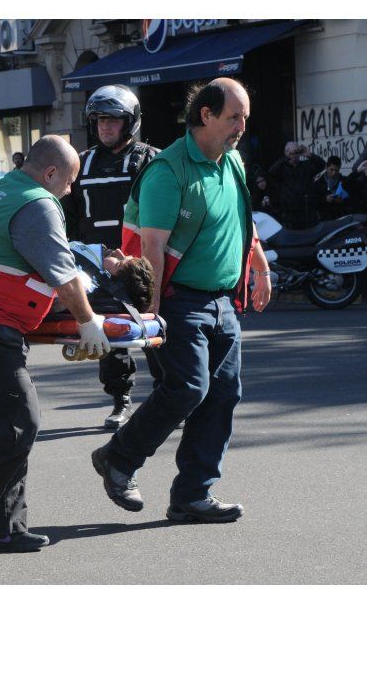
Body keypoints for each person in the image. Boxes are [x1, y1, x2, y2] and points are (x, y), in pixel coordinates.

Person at [91, 78, 272, 524]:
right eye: (234, 117)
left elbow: (241, 220)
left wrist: (260, 266)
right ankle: (118, 457)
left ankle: (192, 495)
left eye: (245, 117)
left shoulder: (231, 161)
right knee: (189, 387)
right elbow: (152, 247)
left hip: (222, 301)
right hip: (178, 299)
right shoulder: (168, 171)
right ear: (205, 115)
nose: (242, 126)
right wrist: (150, 312)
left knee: (222, 394)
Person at [0, 135, 113, 553]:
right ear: (50, 173)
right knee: (18, 426)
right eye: (69, 181)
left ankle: (5, 526)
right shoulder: (38, 204)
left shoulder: (0, 189)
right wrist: (88, 322)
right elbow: (62, 274)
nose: (70, 191)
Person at [61, 85, 160, 432]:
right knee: (109, 337)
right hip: (97, 267)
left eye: (113, 120)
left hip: (142, 266)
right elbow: (67, 214)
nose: (105, 126)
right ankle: (121, 400)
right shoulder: (81, 163)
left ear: (130, 122)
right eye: (100, 120)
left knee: (154, 332)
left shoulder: (151, 160)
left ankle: (168, 396)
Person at [266, 141, 325, 228]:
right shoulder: (282, 168)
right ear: (285, 153)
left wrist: (309, 155)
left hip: (306, 213)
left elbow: (322, 165)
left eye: (295, 152)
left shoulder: (305, 166)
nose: (293, 154)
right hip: (288, 214)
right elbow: (271, 173)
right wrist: (286, 158)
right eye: (289, 151)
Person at [313, 155, 350, 220]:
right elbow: (313, 201)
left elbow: (351, 199)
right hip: (325, 218)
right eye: (331, 170)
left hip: (341, 217)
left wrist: (342, 201)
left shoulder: (344, 181)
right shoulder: (319, 183)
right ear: (326, 167)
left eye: (336, 170)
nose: (334, 173)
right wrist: (325, 199)